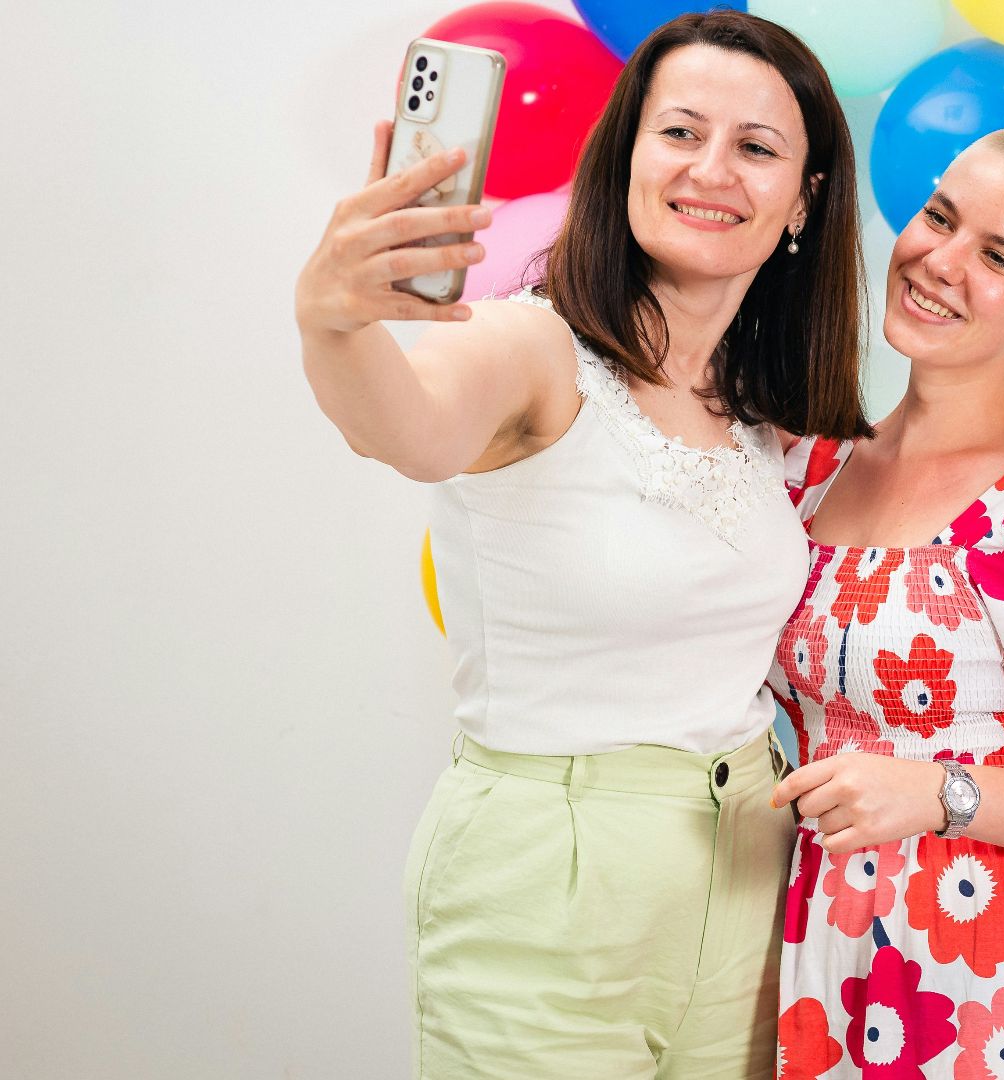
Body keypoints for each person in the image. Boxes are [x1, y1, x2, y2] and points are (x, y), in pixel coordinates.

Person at [292, 12, 868, 1078]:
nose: (712, 170)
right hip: (547, 885)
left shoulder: (761, 413)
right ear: (627, 155)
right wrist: (334, 321)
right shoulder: (533, 346)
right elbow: (406, 427)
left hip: (746, 870)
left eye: (757, 147)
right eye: (681, 133)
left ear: (805, 199)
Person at [767, 129, 1004, 1080]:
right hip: (819, 955)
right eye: (940, 217)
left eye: (998, 257)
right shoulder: (803, 471)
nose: (939, 262)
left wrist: (937, 794)